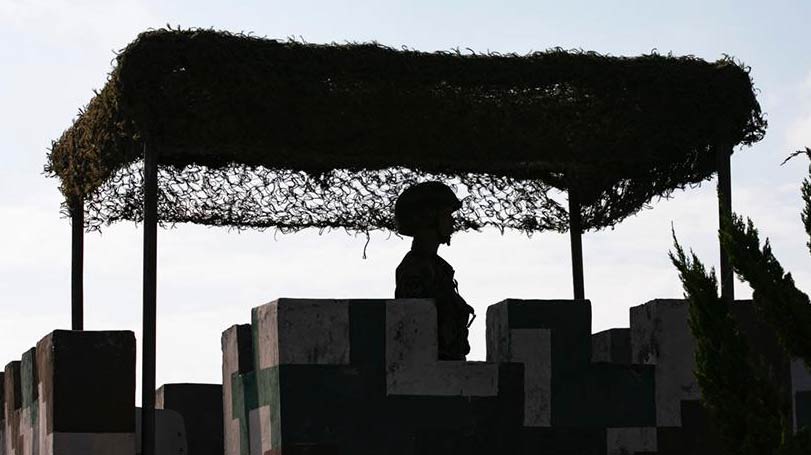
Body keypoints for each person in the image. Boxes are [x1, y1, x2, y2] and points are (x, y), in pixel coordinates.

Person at [394, 181, 475, 360]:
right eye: (446, 214)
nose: (453, 221)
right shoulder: (415, 269)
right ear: (428, 218)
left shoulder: (438, 268)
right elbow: (417, 329)